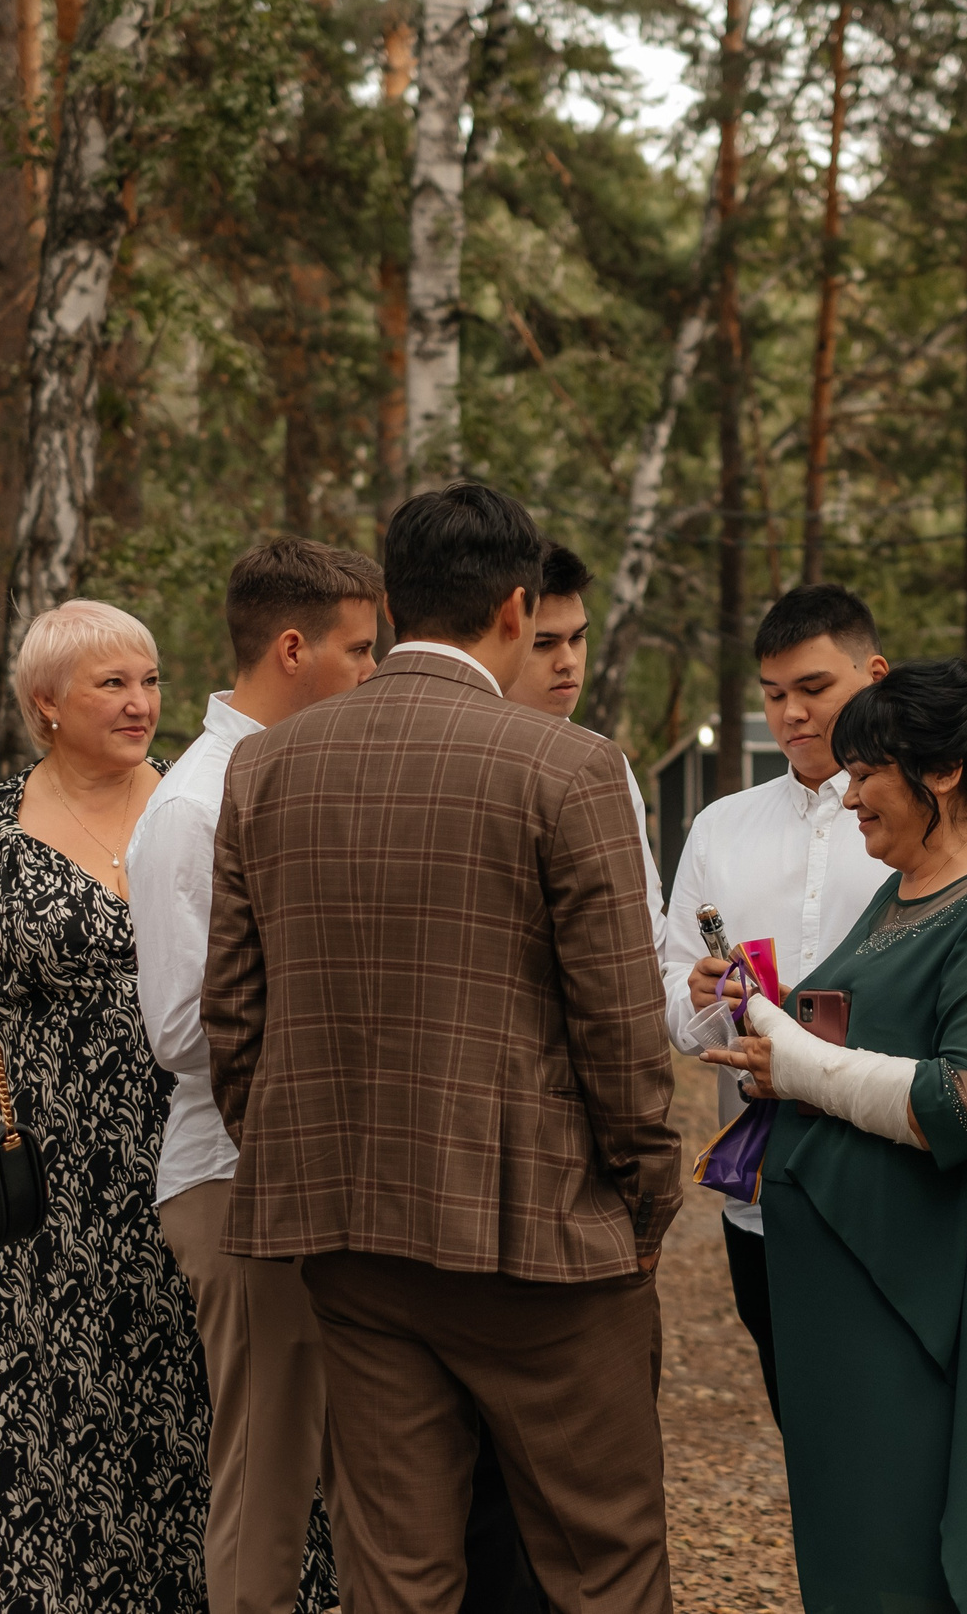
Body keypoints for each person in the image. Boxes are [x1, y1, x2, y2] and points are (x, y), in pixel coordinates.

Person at [204, 484, 680, 1614]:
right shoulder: (568, 768)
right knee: (604, 1563)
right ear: (515, 608)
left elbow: (235, 1019)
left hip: (352, 1233)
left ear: (395, 598)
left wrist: (310, 1160)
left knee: (397, 1576)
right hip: (546, 1238)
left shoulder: (266, 767)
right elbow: (620, 1027)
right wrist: (644, 1201)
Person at [700, 659, 967, 1612]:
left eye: (869, 770)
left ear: (944, 772)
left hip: (929, 1306)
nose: (850, 794)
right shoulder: (904, 888)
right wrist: (761, 1015)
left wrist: (790, 1062)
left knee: (915, 1566)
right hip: (856, 1294)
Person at [659, 583, 967, 1421]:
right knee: (803, 1413)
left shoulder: (966, 818)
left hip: (905, 1172)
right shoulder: (721, 828)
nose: (790, 713)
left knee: (912, 1412)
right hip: (764, 1185)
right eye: (773, 693)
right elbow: (676, 1011)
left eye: (813, 688)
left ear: (874, 672)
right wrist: (700, 995)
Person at [0, 600, 209, 1612]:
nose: (141, 703)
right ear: (44, 705)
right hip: (42, 1186)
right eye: (111, 684)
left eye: (150, 680)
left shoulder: (198, 809)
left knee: (190, 1412)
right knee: (42, 1420)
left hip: (186, 1162)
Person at [127, 541, 380, 1614]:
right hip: (238, 1182)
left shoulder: (310, 769)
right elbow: (183, 1029)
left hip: (325, 1174)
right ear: (293, 648)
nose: (374, 671)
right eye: (360, 650)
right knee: (269, 1482)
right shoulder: (195, 806)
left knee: (367, 1483)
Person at [509, 543, 664, 945]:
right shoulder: (459, 751)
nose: (569, 661)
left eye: (577, 638)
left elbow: (642, 923)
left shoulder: (601, 761)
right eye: (544, 644)